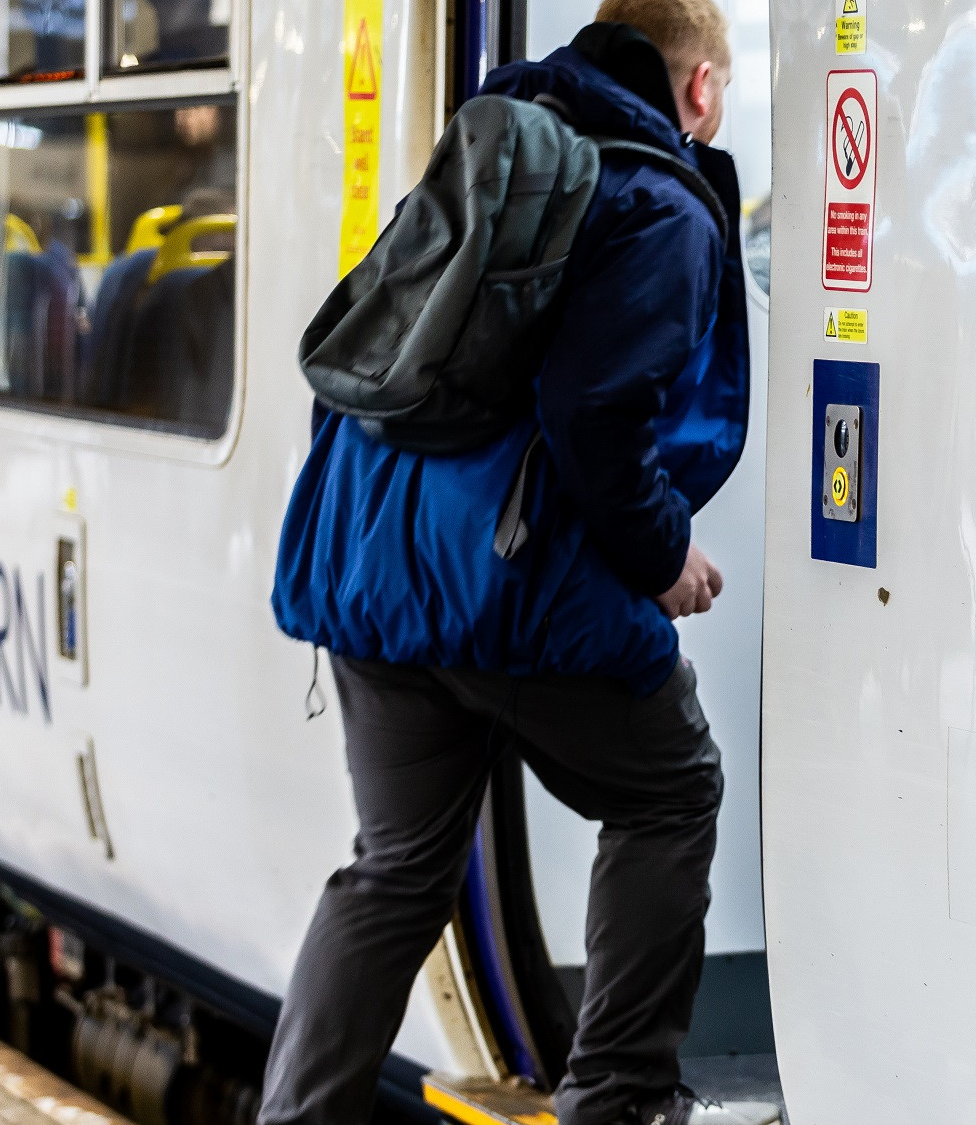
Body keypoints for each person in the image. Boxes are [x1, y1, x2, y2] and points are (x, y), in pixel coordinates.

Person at [259, 3, 777, 1124]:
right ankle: (618, 1100)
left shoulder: (491, 141)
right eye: (723, 95)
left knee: (395, 866)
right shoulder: (659, 202)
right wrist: (660, 560)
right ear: (697, 92)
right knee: (672, 790)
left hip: (368, 563)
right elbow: (593, 415)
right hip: (508, 582)